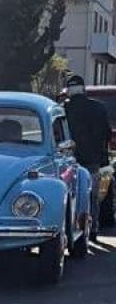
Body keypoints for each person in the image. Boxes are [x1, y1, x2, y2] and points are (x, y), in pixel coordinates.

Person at [63, 74, 111, 227]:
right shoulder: (98, 108)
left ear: (68, 91)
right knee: (92, 195)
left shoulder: (64, 110)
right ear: (83, 89)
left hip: (68, 161)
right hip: (93, 160)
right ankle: (92, 227)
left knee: (69, 194)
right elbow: (107, 134)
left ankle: (71, 226)